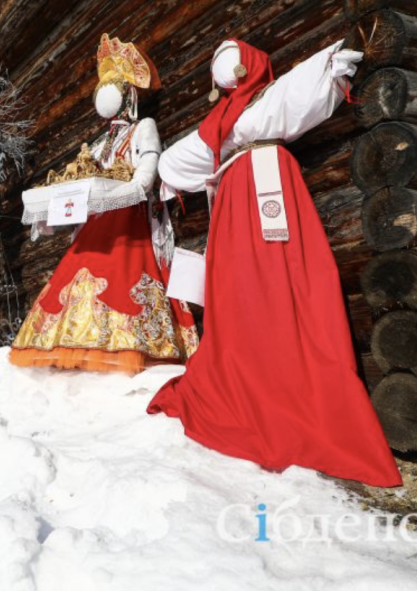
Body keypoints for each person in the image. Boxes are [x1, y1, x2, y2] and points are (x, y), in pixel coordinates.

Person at [147, 39, 402, 487]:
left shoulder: (271, 97)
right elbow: (175, 159)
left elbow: (310, 81)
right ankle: (250, 367)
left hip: (270, 182)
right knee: (239, 288)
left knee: (287, 278)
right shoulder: (217, 123)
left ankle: (294, 375)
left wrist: (333, 62)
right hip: (234, 195)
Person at [10, 34, 198, 373]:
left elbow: (146, 174)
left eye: (114, 87)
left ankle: (126, 341)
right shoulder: (99, 144)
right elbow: (82, 185)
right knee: (80, 272)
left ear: (127, 94)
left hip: (129, 219)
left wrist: (127, 189)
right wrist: (53, 211)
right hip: (97, 218)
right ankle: (74, 339)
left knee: (120, 274)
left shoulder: (144, 127)